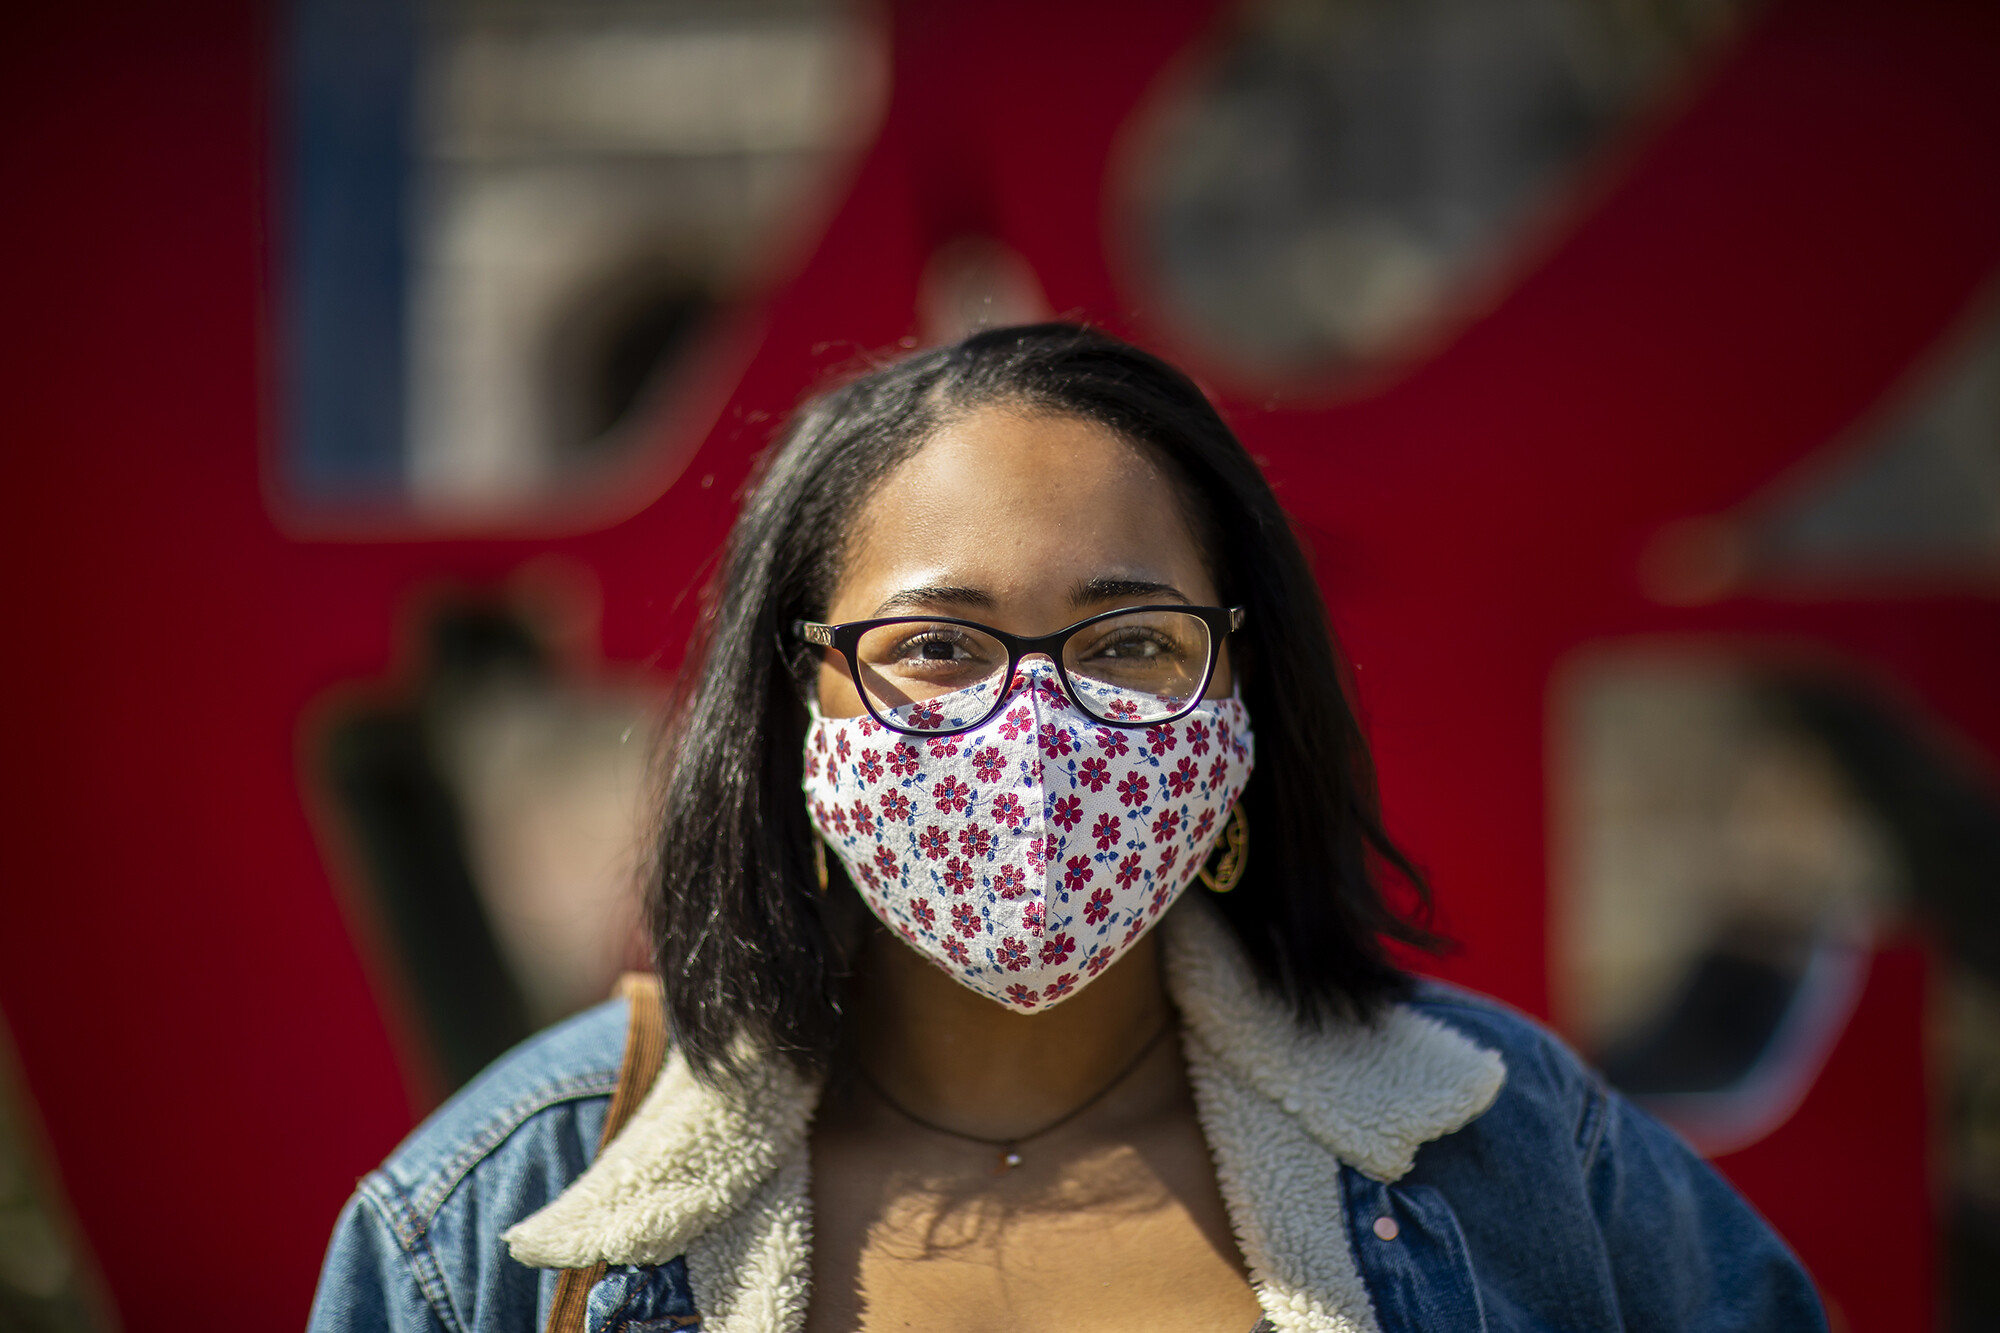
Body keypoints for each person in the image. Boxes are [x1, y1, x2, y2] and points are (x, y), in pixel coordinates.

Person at [308, 324, 1826, 1332]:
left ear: (1242, 701)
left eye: (1130, 645)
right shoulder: (500, 1214)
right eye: (939, 647)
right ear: (795, 717)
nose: (1035, 734)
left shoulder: (1516, 1158)